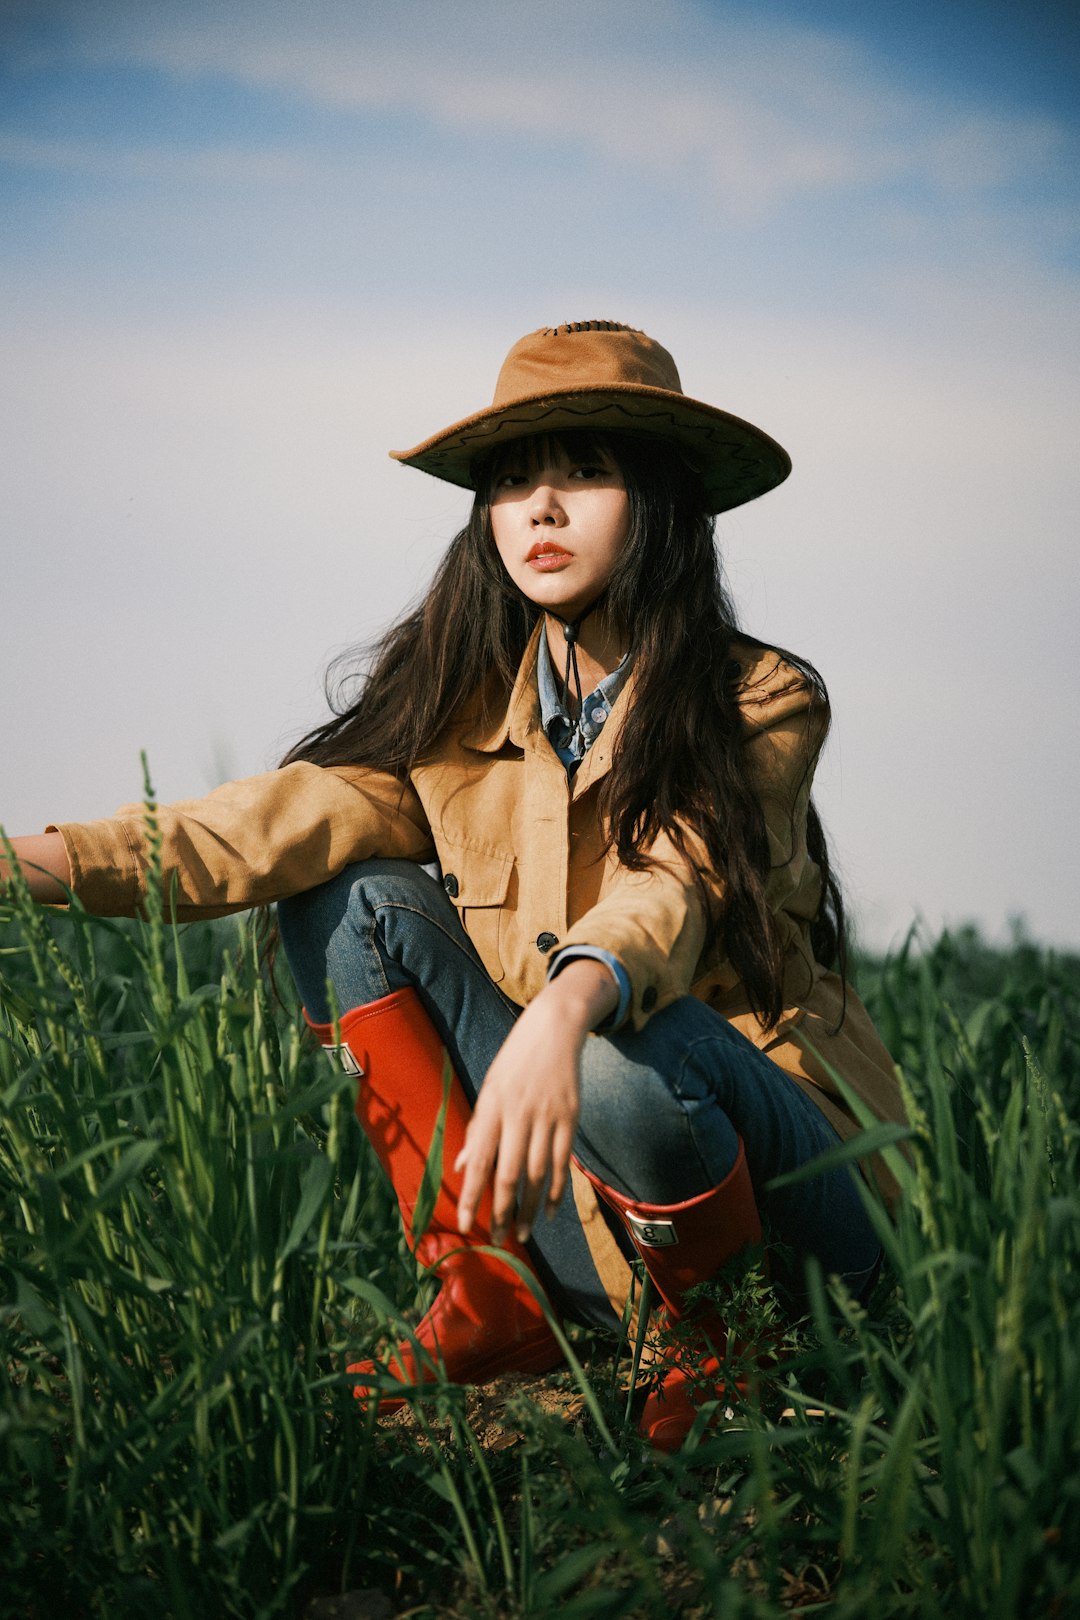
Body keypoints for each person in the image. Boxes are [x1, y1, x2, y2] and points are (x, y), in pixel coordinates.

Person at [1, 319, 905, 1450]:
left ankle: (724, 1350)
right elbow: (267, 825)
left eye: (587, 470)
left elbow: (678, 881)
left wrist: (569, 1004)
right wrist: (23, 865)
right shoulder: (463, 712)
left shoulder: (761, 700)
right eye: (513, 477)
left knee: (631, 1040)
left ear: (663, 498)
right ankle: (492, 1291)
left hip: (797, 1221)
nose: (543, 505)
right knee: (344, 895)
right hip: (589, 1204)